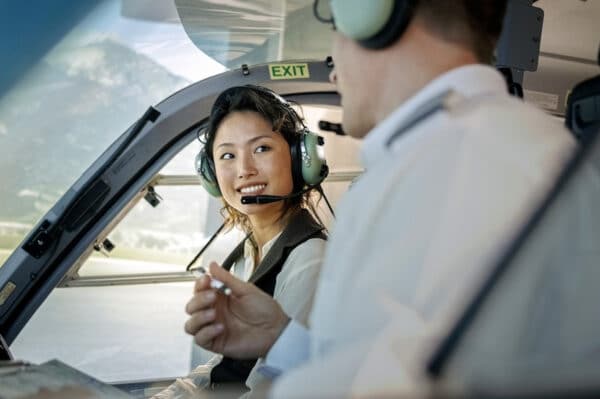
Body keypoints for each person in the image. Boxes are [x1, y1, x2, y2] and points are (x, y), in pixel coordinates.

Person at [184, 0, 579, 396]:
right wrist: (284, 339)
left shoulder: (455, 169)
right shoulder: (478, 152)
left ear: (373, 12)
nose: (333, 64)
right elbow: (392, 370)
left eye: (335, 23)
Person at [154, 85, 328, 397]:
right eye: (227, 155)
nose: (244, 170)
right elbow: (226, 366)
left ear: (300, 158)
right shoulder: (249, 251)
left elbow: (274, 388)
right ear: (211, 173)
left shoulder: (311, 261)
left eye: (261, 149)